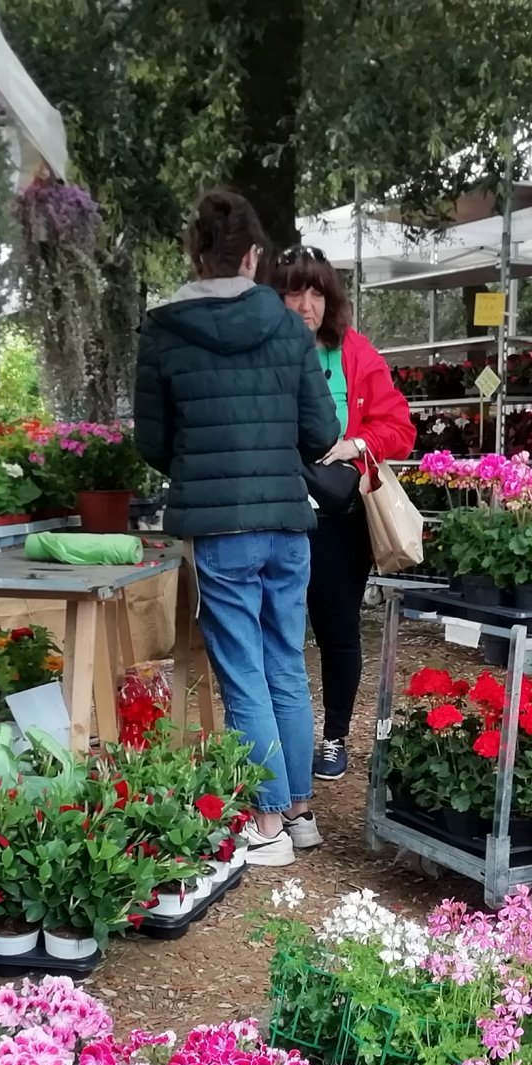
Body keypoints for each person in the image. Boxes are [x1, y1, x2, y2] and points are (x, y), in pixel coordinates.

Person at [135, 189, 338, 867]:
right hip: (286, 519)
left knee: (243, 674)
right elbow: (320, 432)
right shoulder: (287, 328)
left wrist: (200, 460)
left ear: (194, 252)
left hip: (219, 527)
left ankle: (270, 824)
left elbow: (152, 442)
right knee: (285, 662)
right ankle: (301, 814)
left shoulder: (163, 329)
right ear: (253, 255)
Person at [270, 245, 416, 781]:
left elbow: (400, 427)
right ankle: (278, 743)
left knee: (337, 630)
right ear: (274, 295)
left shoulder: (353, 352)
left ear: (330, 299)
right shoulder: (259, 351)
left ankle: (334, 738)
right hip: (275, 516)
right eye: (293, 290)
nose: (306, 304)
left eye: (316, 292)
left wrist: (357, 444)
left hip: (338, 517)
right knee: (278, 635)